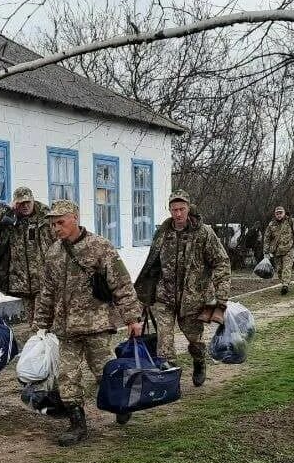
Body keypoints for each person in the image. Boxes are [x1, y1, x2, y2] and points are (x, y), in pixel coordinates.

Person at [34, 200, 143, 446]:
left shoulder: (99, 247)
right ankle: (77, 423)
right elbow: (47, 291)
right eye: (52, 224)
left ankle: (120, 403)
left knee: (104, 371)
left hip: (96, 325)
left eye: (60, 222)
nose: (56, 228)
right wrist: (41, 322)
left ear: (75, 218)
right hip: (66, 327)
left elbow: (121, 284)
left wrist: (133, 318)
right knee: (67, 376)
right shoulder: (54, 252)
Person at [134, 191, 231, 388]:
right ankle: (169, 379)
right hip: (165, 297)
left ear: (189, 208)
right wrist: (145, 296)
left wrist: (221, 295)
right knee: (164, 340)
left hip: (193, 299)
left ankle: (199, 361)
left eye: (181, 209)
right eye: (174, 209)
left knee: (194, 339)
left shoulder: (203, 233)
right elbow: (152, 265)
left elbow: (221, 262)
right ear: (169, 210)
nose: (178, 214)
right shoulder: (163, 232)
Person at [0, 185, 52, 326]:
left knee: (42, 322)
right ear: (15, 204)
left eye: (27, 202)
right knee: (32, 323)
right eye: (21, 203)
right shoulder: (10, 218)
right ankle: (40, 345)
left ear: (33, 200)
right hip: (23, 283)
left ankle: (46, 344)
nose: (25, 206)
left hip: (44, 280)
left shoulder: (46, 217)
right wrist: (7, 210)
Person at [262, 205, 294, 295]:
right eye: (277, 213)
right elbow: (267, 238)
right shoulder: (271, 224)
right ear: (275, 214)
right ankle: (283, 282)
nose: (279, 215)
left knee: (286, 268)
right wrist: (266, 251)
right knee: (279, 269)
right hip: (276, 251)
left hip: (289, 250)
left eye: (281, 213)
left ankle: (285, 285)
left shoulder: (291, 222)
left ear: (284, 213)